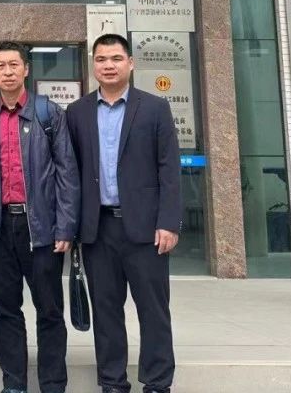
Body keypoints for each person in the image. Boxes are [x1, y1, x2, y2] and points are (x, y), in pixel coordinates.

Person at [65, 34, 181, 393]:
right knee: (106, 312)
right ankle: (113, 382)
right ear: (93, 65)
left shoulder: (155, 108)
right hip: (98, 229)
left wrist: (168, 222)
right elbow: (71, 173)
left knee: (153, 311)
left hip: (147, 230)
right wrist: (71, 228)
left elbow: (169, 169)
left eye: (116, 58)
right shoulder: (77, 112)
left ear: (130, 63)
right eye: (101, 59)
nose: (109, 65)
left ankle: (157, 383)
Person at [0, 42, 80, 393]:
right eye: (0, 66)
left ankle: (52, 384)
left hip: (42, 227)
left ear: (26, 69)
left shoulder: (49, 114)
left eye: (14, 64)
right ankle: (14, 384)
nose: (7, 71)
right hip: (0, 227)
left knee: (49, 310)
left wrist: (65, 226)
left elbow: (67, 173)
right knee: (5, 310)